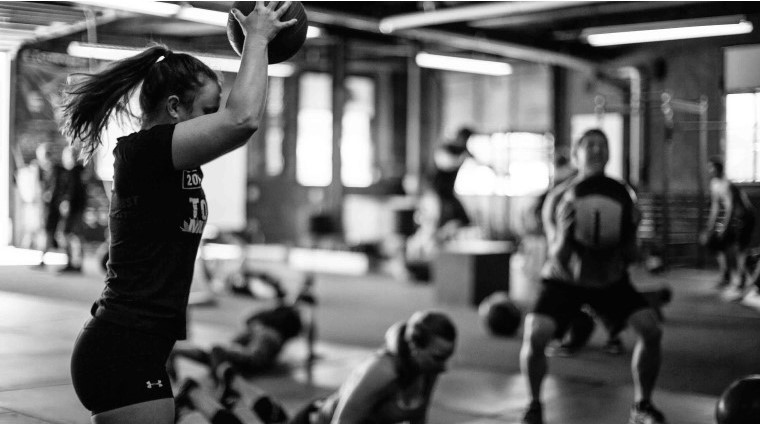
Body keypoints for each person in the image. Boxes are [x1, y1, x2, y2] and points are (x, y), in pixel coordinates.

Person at [66, 3, 298, 422]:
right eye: (208, 110)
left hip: (144, 347)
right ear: (174, 108)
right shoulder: (143, 153)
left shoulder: (175, 164)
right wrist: (258, 40)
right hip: (121, 348)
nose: (214, 121)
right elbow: (242, 119)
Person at [520, 129, 665, 424]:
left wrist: (633, 231)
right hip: (565, 280)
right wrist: (564, 233)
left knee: (651, 330)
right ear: (576, 155)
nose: (597, 150)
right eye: (590, 145)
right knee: (536, 333)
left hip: (608, 280)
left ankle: (642, 406)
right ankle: (534, 405)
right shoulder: (558, 198)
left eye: (603, 145)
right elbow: (557, 256)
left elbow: (631, 257)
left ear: (609, 154)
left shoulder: (622, 194)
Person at [167, 275, 312, 380]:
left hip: (259, 333)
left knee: (223, 355)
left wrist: (257, 328)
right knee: (243, 358)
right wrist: (310, 353)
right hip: (269, 336)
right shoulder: (295, 314)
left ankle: (181, 352)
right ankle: (220, 363)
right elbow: (308, 333)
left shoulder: (280, 310)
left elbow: (249, 319)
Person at [700, 156, 757, 300]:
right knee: (720, 246)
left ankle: (742, 281)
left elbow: (731, 208)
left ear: (719, 169)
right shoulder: (714, 184)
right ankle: (725, 276)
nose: (710, 170)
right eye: (709, 168)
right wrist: (710, 227)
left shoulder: (727, 185)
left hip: (745, 217)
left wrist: (724, 228)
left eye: (712, 167)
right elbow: (715, 207)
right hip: (734, 219)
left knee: (739, 249)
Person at [58, 145, 87, 273]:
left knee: (66, 235)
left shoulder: (74, 173)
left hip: (73, 210)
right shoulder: (79, 172)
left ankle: (72, 262)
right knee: (75, 235)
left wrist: (67, 203)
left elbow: (72, 192)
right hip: (77, 209)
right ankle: (76, 263)